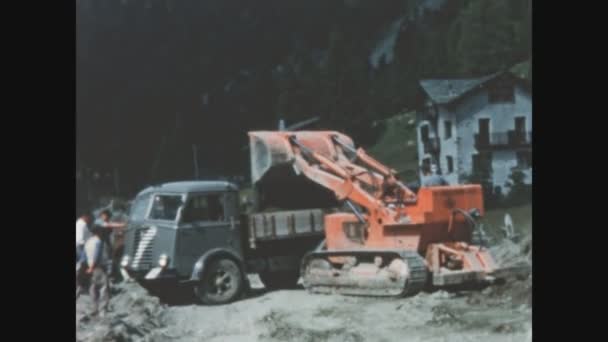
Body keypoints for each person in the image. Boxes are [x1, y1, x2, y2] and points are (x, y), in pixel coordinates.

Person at [77, 226, 111, 316]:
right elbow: (97, 255)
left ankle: (94, 308)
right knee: (103, 287)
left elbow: (83, 256)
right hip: (98, 267)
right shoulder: (99, 242)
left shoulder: (88, 242)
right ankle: (102, 310)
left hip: (89, 267)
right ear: (99, 233)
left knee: (93, 288)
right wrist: (92, 266)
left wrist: (83, 267)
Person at [96, 209, 127, 281]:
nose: (106, 217)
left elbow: (111, 225)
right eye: (105, 215)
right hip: (99, 244)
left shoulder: (107, 221)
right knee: (103, 260)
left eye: (107, 216)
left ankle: (109, 276)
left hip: (107, 243)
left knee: (110, 260)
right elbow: (110, 225)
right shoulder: (99, 221)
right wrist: (122, 224)